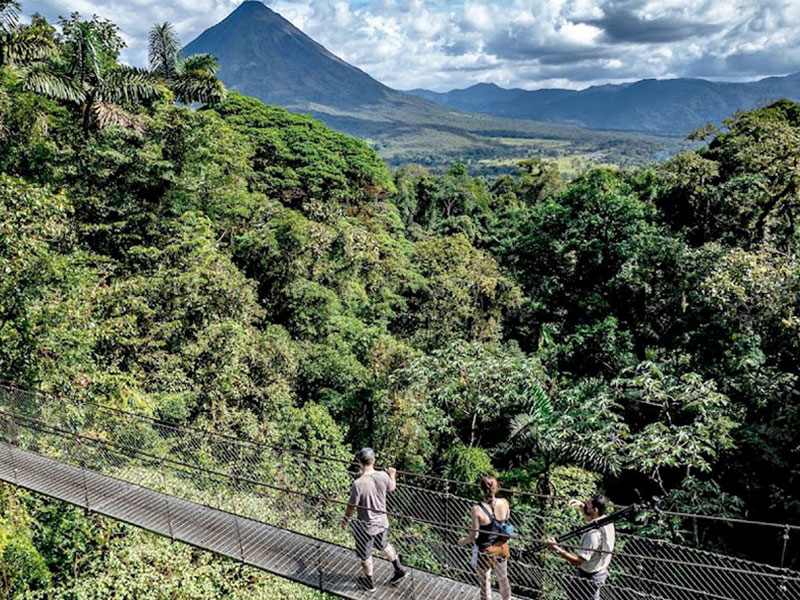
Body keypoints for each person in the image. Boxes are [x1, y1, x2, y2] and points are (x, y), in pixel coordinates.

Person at [341, 447, 408, 592]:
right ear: (374, 461)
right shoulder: (383, 476)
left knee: (365, 555)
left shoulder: (358, 484)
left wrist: (345, 519)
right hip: (382, 522)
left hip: (366, 526)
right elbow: (392, 487)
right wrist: (392, 474)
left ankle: (370, 584)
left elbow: (351, 506)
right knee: (383, 545)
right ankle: (399, 568)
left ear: (359, 462)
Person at [546, 495, 616, 600]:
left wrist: (556, 548)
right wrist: (581, 507)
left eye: (588, 505)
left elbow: (579, 561)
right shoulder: (606, 521)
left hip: (590, 575)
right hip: (599, 570)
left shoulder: (593, 535)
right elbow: (591, 519)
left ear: (595, 510)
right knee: (573, 594)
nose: (586, 505)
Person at [458, 475, 512, 600]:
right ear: (496, 488)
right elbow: (506, 519)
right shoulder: (504, 502)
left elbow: (475, 535)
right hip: (501, 547)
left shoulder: (476, 509)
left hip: (485, 550)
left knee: (485, 582)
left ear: (481, 489)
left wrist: (462, 542)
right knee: (503, 578)